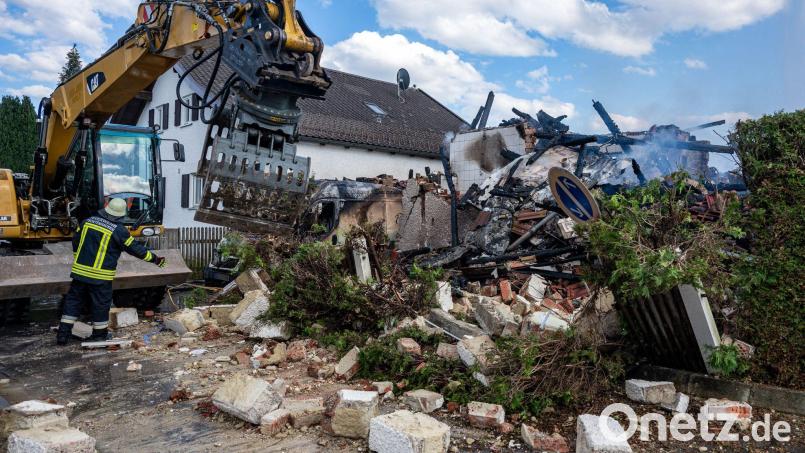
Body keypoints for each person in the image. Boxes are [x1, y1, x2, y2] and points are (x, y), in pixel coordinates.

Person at [56, 198, 166, 345]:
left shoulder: (87, 222)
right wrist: (155, 259)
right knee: (100, 305)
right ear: (120, 215)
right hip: (100, 277)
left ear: (106, 209)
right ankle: (99, 335)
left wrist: (78, 258)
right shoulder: (119, 231)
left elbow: (76, 241)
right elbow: (136, 249)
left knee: (73, 302)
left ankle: (62, 335)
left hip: (80, 273)